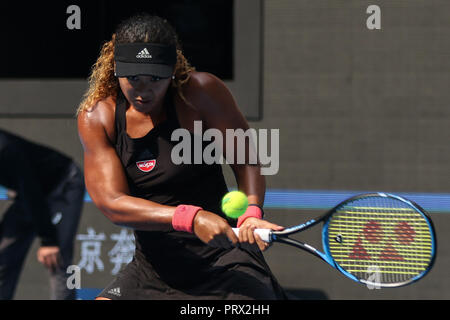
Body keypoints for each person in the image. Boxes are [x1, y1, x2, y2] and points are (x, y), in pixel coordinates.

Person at [77, 13, 286, 300]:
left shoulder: (201, 94)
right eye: (133, 78)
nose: (144, 90)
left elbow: (246, 160)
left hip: (224, 262)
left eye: (155, 78)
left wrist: (251, 212)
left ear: (172, 70)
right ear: (115, 69)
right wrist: (190, 217)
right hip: (152, 270)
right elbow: (113, 203)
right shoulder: (98, 117)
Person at [0, 129, 85, 300]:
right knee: (3, 253)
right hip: (29, 194)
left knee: (58, 257)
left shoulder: (5, 148)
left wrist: (49, 240)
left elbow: (31, 190)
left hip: (65, 183)